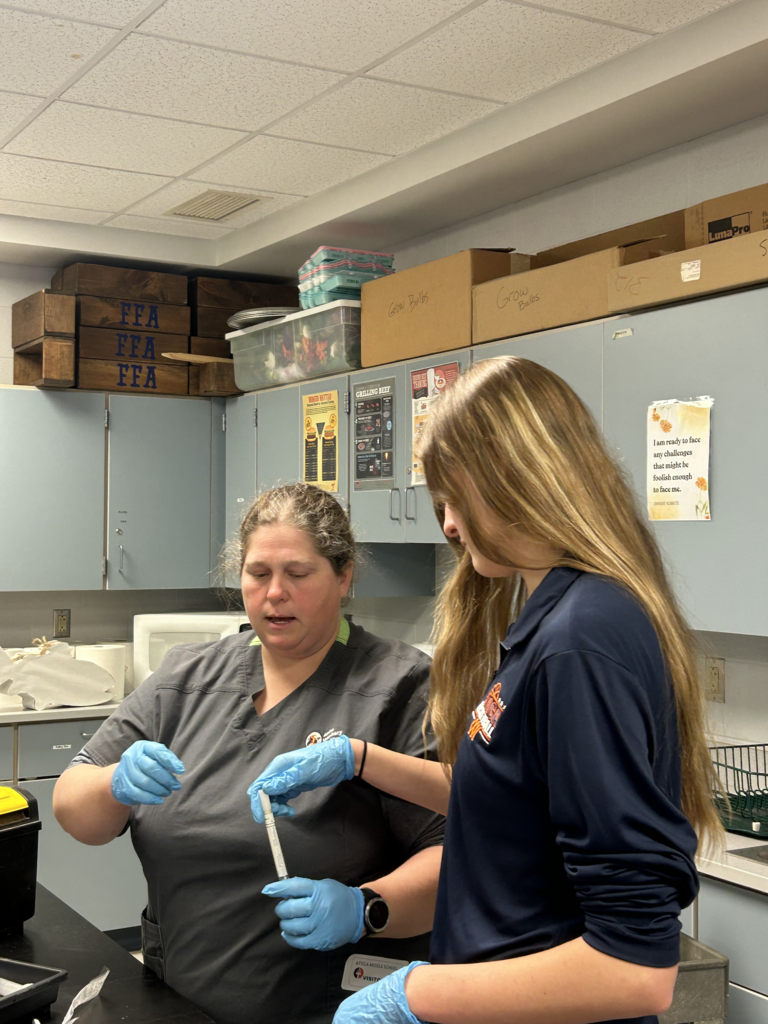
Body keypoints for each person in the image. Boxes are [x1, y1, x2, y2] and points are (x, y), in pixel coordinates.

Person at [249, 356, 724, 1024]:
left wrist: (413, 996)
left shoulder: (581, 640)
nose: (447, 524)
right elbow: (513, 800)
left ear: (512, 480)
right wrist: (356, 759)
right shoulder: (548, 620)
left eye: (453, 497)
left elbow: (635, 970)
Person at [53, 483, 444, 1024]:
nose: (274, 593)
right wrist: (113, 781)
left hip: (330, 1006)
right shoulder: (184, 678)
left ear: (344, 575)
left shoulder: (399, 687)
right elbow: (75, 808)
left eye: (298, 574)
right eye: (258, 574)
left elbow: (456, 853)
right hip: (177, 999)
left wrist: (365, 907)